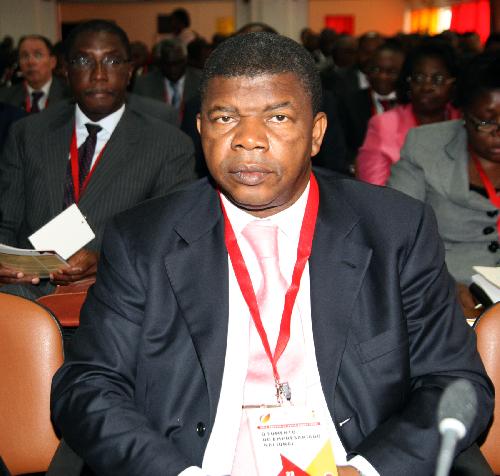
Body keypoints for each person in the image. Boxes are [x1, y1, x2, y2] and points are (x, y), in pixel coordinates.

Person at [51, 32, 493, 476]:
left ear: (316, 133)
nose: (249, 140)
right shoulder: (143, 239)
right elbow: (87, 386)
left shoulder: (395, 230)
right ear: (201, 129)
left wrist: (367, 470)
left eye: (278, 117)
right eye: (225, 118)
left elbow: (454, 381)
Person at [0, 20, 196, 300]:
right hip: (26, 295)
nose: (99, 75)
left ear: (130, 71)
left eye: (112, 61)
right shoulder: (27, 133)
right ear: (65, 70)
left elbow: (172, 240)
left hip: (120, 300)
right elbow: (7, 223)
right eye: (83, 61)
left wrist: (104, 260)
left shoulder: (168, 145)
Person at [388, 52, 500, 315]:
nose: (498, 133)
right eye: (487, 122)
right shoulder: (425, 146)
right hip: (450, 286)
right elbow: (395, 232)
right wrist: (439, 285)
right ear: (464, 115)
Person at [357, 39, 461, 185]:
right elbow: (372, 190)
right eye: (419, 78)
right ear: (408, 82)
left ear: (453, 84)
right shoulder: (384, 125)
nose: (426, 87)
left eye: (437, 79)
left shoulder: (462, 122)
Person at [338, 41, 405, 166]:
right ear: (367, 72)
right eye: (376, 70)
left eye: (391, 72)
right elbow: (343, 148)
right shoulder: (349, 103)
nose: (382, 76)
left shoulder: (411, 103)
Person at [133, 38, 201, 121]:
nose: (173, 69)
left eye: (177, 63)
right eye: (167, 64)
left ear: (186, 60)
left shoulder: (201, 81)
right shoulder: (144, 84)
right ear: (160, 62)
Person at [0, 35, 69, 112]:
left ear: (52, 62)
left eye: (38, 55)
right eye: (25, 56)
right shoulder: (3, 97)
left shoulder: (70, 95)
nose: (31, 62)